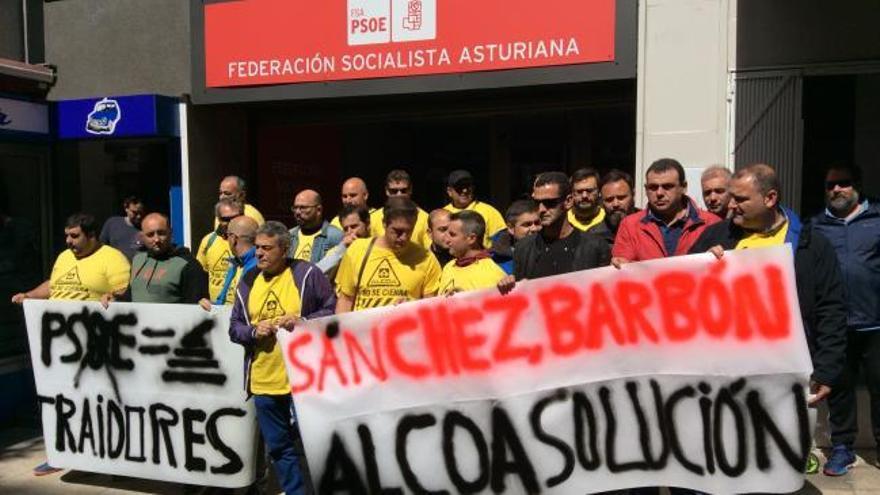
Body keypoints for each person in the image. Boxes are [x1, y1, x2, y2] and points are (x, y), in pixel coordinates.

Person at [689, 163, 846, 410]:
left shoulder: (812, 246)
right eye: (731, 198)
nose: (730, 206)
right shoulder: (715, 236)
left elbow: (831, 309)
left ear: (770, 198)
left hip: (785, 373)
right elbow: (682, 293)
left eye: (741, 199)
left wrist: (826, 370)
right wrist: (700, 266)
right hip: (723, 372)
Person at [11, 213, 130, 477]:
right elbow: (55, 286)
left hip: (95, 347)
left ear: (92, 236)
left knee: (94, 403)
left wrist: (115, 297)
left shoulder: (111, 258)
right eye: (67, 235)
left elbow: (125, 291)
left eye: (75, 236)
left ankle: (104, 457)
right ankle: (59, 454)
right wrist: (29, 295)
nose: (68, 241)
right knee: (56, 400)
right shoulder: (65, 258)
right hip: (58, 346)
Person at [229, 221, 335, 495]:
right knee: (279, 447)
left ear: (285, 248)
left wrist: (303, 321)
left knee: (313, 445)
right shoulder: (249, 279)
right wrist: (254, 331)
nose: (260, 253)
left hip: (304, 381)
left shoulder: (307, 274)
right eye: (257, 248)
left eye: (267, 248)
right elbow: (235, 327)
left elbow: (331, 310)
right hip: (264, 380)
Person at [809, 163, 880, 476]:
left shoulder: (877, 220)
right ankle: (842, 449)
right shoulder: (814, 226)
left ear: (858, 185)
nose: (836, 190)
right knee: (839, 389)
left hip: (876, 323)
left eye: (844, 183)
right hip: (835, 327)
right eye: (830, 185)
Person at [497, 172, 610, 294]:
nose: (541, 209)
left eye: (549, 203)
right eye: (536, 203)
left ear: (568, 201)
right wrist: (510, 285)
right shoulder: (523, 248)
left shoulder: (595, 247)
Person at [336, 197, 441, 312]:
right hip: (364, 328)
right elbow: (345, 300)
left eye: (409, 231)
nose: (404, 237)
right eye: (398, 231)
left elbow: (432, 307)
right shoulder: (357, 250)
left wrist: (413, 306)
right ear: (384, 224)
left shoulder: (426, 259)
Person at [612, 158, 719, 266]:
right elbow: (623, 272)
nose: (659, 193)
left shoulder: (711, 223)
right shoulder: (630, 226)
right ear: (645, 189)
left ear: (683, 187)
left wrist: (713, 259)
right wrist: (620, 264)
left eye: (667, 186)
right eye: (653, 187)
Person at [101, 213, 207, 305]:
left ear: (170, 232)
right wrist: (115, 299)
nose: (156, 239)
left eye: (161, 233)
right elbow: (131, 296)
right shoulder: (138, 260)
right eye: (150, 235)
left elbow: (193, 308)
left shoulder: (188, 265)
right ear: (142, 237)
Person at [439, 211, 507, 296]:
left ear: (471, 238)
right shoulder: (448, 267)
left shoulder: (493, 273)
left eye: (452, 235)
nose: (447, 240)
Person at [369, 169, 431, 249]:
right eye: (394, 191)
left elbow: (428, 250)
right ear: (386, 191)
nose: (399, 195)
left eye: (403, 190)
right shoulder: (373, 218)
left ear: (410, 190)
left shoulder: (424, 218)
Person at [442, 169, 506, 247]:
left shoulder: (489, 211)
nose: (464, 190)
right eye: (459, 187)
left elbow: (502, 246)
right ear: (449, 191)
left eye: (468, 186)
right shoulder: (442, 214)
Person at [198, 199, 243, 303]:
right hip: (216, 306)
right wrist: (202, 298)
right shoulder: (208, 241)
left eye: (235, 218)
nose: (231, 222)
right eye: (225, 219)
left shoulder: (249, 241)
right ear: (218, 219)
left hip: (241, 307)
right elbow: (201, 275)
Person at [316, 205, 371, 280]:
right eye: (345, 229)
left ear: (367, 224)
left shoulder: (379, 246)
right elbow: (315, 274)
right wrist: (342, 248)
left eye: (354, 226)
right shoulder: (339, 250)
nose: (350, 232)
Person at [287, 189, 342, 264]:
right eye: (295, 208)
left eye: (303, 208)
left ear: (319, 210)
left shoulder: (335, 236)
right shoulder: (290, 235)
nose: (297, 212)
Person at [491, 199, 541, 275]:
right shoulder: (495, 263)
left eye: (537, 223)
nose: (534, 229)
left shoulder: (551, 249)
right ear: (511, 228)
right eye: (527, 224)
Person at [99, 195, 145, 260]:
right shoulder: (113, 223)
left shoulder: (145, 228)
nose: (139, 216)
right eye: (135, 212)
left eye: (141, 212)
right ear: (126, 208)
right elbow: (101, 245)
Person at [568, 168, 606, 232]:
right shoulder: (563, 221)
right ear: (571, 193)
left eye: (590, 191)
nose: (584, 196)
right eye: (579, 191)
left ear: (599, 192)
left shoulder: (608, 220)